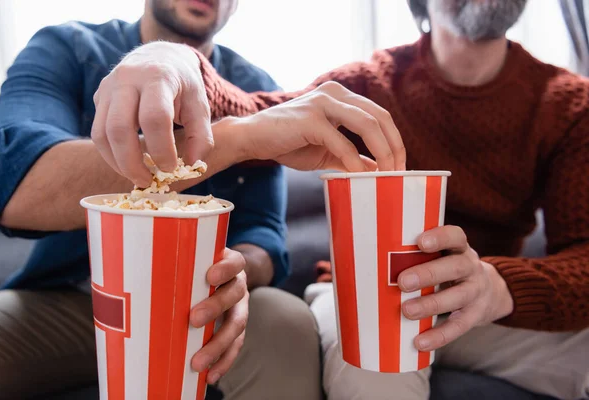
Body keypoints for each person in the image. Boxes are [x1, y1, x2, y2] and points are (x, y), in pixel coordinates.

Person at [93, 0, 589, 399]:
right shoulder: (367, 84)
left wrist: (497, 286)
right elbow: (253, 112)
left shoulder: (568, 105)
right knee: (374, 373)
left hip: (489, 305)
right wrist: (167, 58)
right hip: (358, 293)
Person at [0, 0, 404, 399]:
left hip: (197, 311)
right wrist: (239, 138)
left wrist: (234, 273)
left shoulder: (256, 86)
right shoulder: (68, 47)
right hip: (63, 301)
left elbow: (264, 237)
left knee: (284, 320)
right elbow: (12, 184)